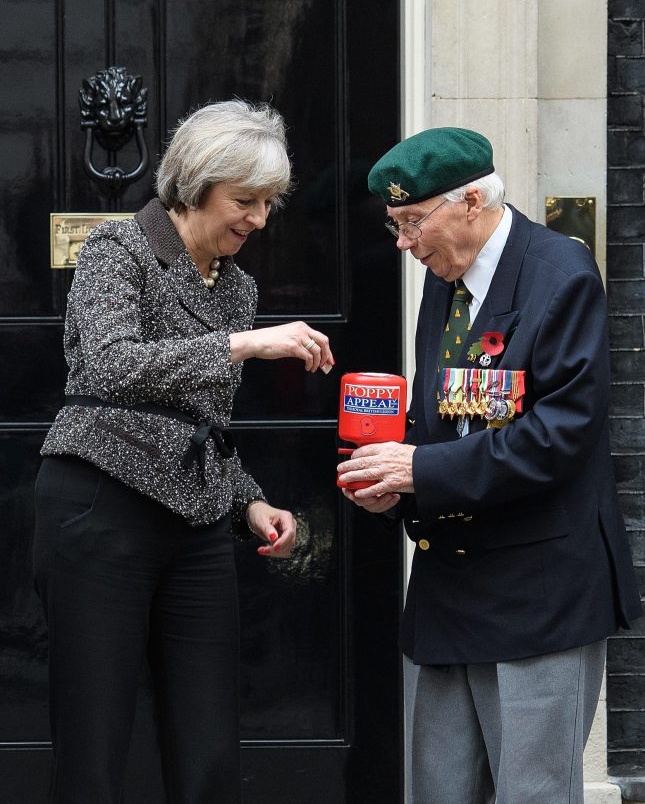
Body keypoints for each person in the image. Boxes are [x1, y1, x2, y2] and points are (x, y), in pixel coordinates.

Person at [34, 99, 334, 804]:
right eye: (245, 200)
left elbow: (203, 419)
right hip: (98, 507)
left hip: (194, 527)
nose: (258, 219)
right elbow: (112, 367)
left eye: (268, 203)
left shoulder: (236, 286)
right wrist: (246, 344)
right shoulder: (118, 249)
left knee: (208, 750)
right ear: (197, 183)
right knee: (94, 748)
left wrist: (249, 500)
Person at [338, 127, 641, 804]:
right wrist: (393, 483)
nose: (403, 242)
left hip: (538, 590)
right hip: (450, 585)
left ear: (471, 200)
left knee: (531, 793)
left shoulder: (560, 273)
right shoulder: (442, 281)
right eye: (395, 223)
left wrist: (421, 470)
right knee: (439, 791)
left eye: (413, 221)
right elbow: (440, 413)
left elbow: (558, 435)